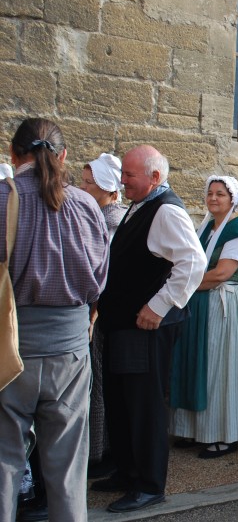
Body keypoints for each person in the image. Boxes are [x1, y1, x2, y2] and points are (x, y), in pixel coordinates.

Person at [0, 118, 109, 521]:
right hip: (70, 349)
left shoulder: (2, 199)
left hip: (9, 345)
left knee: (4, 462)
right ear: (63, 156)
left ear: (14, 155)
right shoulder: (85, 205)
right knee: (67, 469)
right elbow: (100, 279)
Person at [93, 145, 206, 514]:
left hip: (145, 328)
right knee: (123, 403)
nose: (122, 181)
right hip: (124, 325)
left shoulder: (166, 210)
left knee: (144, 407)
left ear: (154, 177)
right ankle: (128, 472)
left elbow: (192, 263)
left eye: (129, 175)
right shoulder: (142, 205)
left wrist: (157, 307)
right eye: (123, 174)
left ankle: (149, 485)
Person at [170, 176, 238, 458]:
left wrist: (185, 284)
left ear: (233, 199)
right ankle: (193, 429)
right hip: (200, 303)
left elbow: (223, 273)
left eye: (220, 193)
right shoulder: (206, 228)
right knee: (196, 364)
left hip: (223, 305)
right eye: (210, 193)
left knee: (220, 369)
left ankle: (223, 434)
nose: (214, 198)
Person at [80, 153, 128, 482]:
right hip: (102, 313)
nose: (83, 188)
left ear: (109, 189)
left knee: (99, 384)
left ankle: (99, 450)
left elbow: (103, 273)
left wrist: (92, 314)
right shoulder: (99, 215)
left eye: (88, 183)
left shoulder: (111, 220)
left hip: (103, 314)